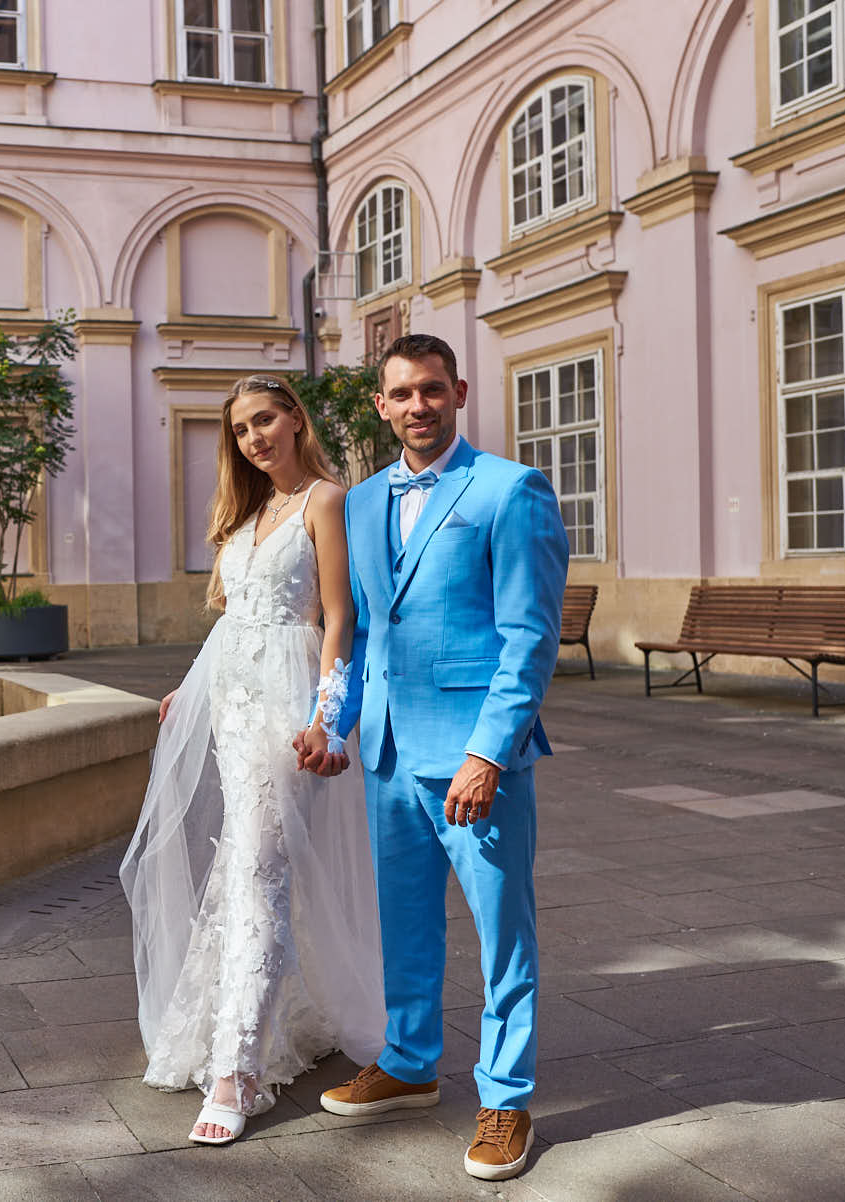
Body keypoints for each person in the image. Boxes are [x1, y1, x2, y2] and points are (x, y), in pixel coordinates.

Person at [298, 334, 567, 1181]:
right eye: (403, 393)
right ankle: (410, 1063)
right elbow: (358, 632)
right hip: (385, 751)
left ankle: (506, 1097)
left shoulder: (509, 490)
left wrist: (489, 754)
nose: (419, 405)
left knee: (503, 934)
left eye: (432, 390)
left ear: (458, 392)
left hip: (474, 760)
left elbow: (529, 638)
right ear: (381, 406)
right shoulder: (361, 502)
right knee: (405, 924)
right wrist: (333, 724)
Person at [121, 374, 386, 1147]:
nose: (254, 438)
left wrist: (326, 721)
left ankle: (237, 1070)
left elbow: (339, 618)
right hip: (231, 704)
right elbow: (234, 620)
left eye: (264, 420)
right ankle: (274, 1019)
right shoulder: (246, 513)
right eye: (241, 430)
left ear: (295, 418)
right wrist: (189, 687)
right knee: (246, 863)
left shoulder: (326, 501)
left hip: (288, 706)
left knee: (259, 869)